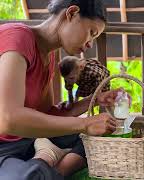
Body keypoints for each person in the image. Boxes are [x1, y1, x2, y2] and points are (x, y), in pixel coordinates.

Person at [0, 0, 121, 179]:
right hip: (4, 146)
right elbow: (8, 119)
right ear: (71, 13)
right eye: (91, 33)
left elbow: (48, 114)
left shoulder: (49, 56)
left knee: (96, 140)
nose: (90, 44)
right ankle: (45, 161)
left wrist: (94, 100)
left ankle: (48, 167)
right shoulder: (18, 37)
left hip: (28, 139)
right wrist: (86, 123)